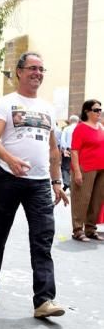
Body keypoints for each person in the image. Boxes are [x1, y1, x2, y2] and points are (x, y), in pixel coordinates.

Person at [0, 51, 69, 318]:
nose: (37, 74)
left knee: (43, 240)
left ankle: (43, 300)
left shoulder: (47, 108)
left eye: (42, 70)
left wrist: (57, 182)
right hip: (9, 178)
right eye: (32, 68)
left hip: (40, 184)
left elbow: (53, 149)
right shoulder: (6, 103)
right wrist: (10, 158)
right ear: (19, 72)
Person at [70, 99, 104, 242]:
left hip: (101, 168)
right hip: (85, 168)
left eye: (100, 109)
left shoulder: (101, 127)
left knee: (96, 200)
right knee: (81, 199)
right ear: (87, 111)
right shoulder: (80, 128)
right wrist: (77, 171)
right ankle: (78, 230)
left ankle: (90, 229)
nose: (99, 112)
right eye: (96, 110)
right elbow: (74, 151)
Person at [60, 114, 79, 191]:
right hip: (78, 151)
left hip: (68, 150)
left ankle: (67, 183)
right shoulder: (79, 128)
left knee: (65, 167)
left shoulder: (66, 129)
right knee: (76, 167)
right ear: (77, 121)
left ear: (70, 121)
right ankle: (74, 184)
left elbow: (63, 140)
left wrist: (64, 149)